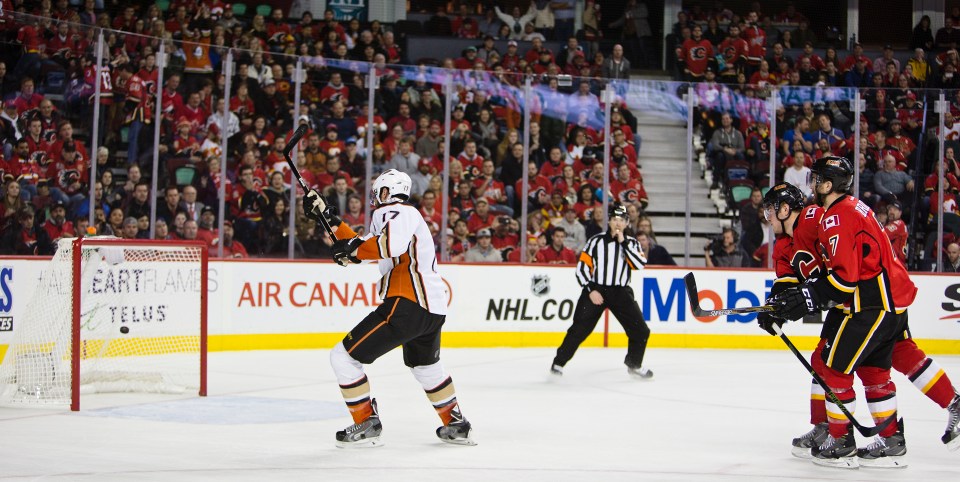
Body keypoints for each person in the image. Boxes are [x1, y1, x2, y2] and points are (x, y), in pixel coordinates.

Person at [768, 157, 938, 468]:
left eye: (771, 209)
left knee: (837, 366)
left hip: (865, 300)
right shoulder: (788, 241)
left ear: (785, 209)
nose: (767, 216)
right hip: (856, 300)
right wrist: (774, 308)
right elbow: (788, 281)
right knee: (855, 367)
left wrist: (811, 295)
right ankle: (874, 436)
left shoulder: (823, 217)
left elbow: (843, 273)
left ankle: (841, 438)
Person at [303, 169, 475, 447]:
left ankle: (366, 422)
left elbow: (385, 246)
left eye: (377, 192)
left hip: (407, 303)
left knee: (343, 358)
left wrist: (352, 250)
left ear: (386, 192)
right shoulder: (402, 217)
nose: (374, 198)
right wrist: (328, 219)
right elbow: (366, 247)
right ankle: (456, 423)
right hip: (431, 310)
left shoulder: (394, 211)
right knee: (425, 366)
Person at [551, 202, 652, 379]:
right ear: (609, 221)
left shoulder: (632, 244)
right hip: (595, 290)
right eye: (614, 219)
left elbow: (639, 265)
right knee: (579, 330)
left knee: (641, 330)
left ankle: (634, 364)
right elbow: (582, 268)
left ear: (627, 223)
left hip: (621, 292)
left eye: (622, 220)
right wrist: (591, 290)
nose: (618, 223)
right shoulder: (595, 241)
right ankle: (558, 363)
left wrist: (623, 242)